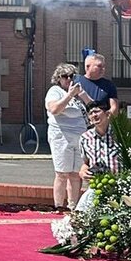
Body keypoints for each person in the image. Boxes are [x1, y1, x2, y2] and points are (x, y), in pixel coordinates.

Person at [44, 63, 87, 210]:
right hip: (62, 135)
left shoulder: (78, 93)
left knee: (75, 174)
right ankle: (58, 206)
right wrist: (69, 95)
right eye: (65, 76)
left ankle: (72, 206)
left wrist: (82, 95)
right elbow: (54, 109)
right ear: (58, 78)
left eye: (72, 76)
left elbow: (93, 107)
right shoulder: (55, 91)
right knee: (62, 173)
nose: (68, 79)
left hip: (80, 135)